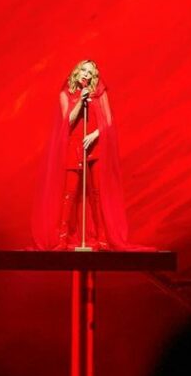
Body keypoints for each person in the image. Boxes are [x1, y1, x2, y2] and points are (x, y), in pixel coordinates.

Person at [31, 59, 139, 251]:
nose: (87, 75)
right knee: (69, 196)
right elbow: (68, 121)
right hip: (73, 147)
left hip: (94, 147)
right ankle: (63, 239)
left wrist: (95, 134)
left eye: (90, 72)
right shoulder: (66, 94)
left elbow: (108, 122)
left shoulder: (100, 94)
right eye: (84, 70)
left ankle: (102, 238)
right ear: (77, 71)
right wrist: (80, 101)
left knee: (96, 195)